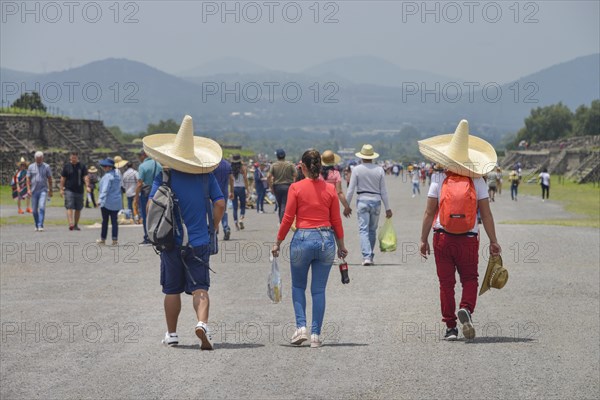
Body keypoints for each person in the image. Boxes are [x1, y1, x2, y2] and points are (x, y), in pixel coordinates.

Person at [144, 115, 225, 350]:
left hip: (171, 241)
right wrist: (214, 226)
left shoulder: (165, 176)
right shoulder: (205, 177)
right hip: (199, 241)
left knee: (171, 290)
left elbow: (151, 206)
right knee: (200, 288)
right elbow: (219, 204)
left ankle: (171, 334)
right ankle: (202, 324)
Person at [418, 119, 502, 341]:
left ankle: (450, 328)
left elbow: (428, 213)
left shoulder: (437, 178)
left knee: (446, 284)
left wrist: (423, 240)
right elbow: (486, 214)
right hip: (468, 239)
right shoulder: (478, 181)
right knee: (470, 279)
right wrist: (494, 240)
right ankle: (466, 308)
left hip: (442, 237)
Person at [272, 149, 348, 348]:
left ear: (302, 167)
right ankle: (315, 335)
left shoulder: (296, 188)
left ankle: (301, 328)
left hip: (302, 239)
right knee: (318, 290)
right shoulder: (330, 190)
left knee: (298, 286)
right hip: (326, 240)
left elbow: (288, 218)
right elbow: (336, 220)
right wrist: (341, 245)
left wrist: (278, 242)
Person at [345, 144, 393, 266]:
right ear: (372, 157)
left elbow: (351, 189)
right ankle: (369, 256)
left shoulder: (356, 169)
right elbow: (384, 191)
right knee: (372, 230)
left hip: (362, 200)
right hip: (376, 201)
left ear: (361, 156)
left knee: (363, 230)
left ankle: (366, 256)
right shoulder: (379, 169)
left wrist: (346, 205)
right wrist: (388, 208)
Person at [135, 149, 162, 245]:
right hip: (158, 193)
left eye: (140, 155)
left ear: (144, 155)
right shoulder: (158, 164)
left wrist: (136, 196)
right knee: (157, 215)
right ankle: (157, 235)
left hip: (146, 193)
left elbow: (139, 183)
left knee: (146, 215)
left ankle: (148, 237)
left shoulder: (142, 166)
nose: (139, 158)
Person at [60, 151, 89, 231]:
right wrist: (61, 189)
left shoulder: (82, 166)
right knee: (69, 206)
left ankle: (76, 224)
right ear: (70, 157)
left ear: (77, 158)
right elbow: (63, 178)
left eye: (75, 158)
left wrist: (87, 186)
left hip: (79, 190)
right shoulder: (67, 166)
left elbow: (85, 176)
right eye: (72, 158)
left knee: (78, 208)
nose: (74, 159)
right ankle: (71, 223)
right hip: (69, 189)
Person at [97, 159, 122, 246]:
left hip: (107, 202)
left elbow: (105, 190)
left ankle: (103, 239)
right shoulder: (118, 174)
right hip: (116, 201)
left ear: (109, 167)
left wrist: (100, 200)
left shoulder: (107, 176)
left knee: (105, 221)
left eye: (104, 166)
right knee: (114, 221)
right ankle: (114, 239)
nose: (104, 168)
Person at [268, 149, 297, 223]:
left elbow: (269, 176)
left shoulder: (274, 165)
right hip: (288, 186)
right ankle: (283, 221)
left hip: (277, 186)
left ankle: (281, 221)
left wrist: (270, 186)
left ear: (277, 156)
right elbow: (295, 175)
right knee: (284, 204)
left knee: (280, 204)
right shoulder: (290, 164)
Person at [26, 151, 53, 232]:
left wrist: (50, 190)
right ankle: (36, 224)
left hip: (43, 190)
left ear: (42, 158)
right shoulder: (31, 167)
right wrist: (28, 189)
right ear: (35, 158)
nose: (39, 160)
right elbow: (28, 178)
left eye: (40, 159)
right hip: (34, 191)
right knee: (34, 210)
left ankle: (40, 225)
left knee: (41, 207)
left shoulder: (46, 166)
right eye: (37, 159)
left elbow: (50, 178)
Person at [321, 150, 351, 216]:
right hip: (332, 201)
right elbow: (339, 192)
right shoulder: (336, 173)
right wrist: (346, 206)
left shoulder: (317, 174)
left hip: (319, 201)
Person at [212, 158, 233, 240]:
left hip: (214, 192)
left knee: (213, 211)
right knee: (223, 211)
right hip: (224, 192)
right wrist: (232, 191)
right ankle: (226, 227)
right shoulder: (227, 165)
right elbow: (231, 179)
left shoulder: (213, 164)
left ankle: (215, 229)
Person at [230, 154, 249, 230]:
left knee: (234, 207)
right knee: (243, 205)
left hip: (234, 188)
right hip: (241, 188)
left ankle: (236, 224)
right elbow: (245, 179)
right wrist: (247, 189)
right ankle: (241, 218)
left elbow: (230, 180)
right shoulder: (243, 168)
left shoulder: (230, 168)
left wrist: (230, 191)